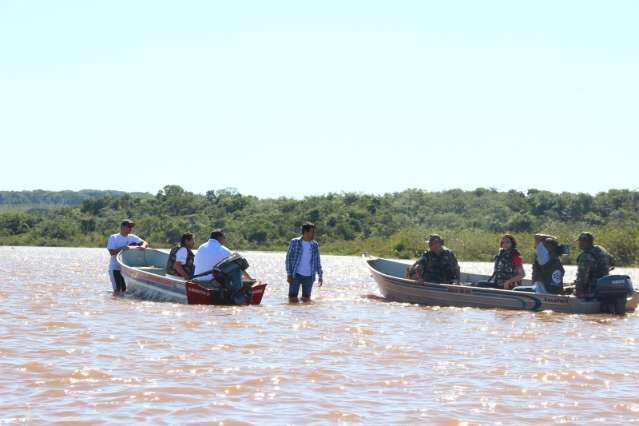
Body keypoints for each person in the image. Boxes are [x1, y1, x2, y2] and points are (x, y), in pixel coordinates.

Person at [193, 229, 252, 305]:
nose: (225, 240)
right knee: (236, 270)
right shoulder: (225, 250)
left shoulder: (201, 247)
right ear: (220, 238)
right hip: (212, 283)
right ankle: (237, 295)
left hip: (198, 280)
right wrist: (248, 278)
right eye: (224, 238)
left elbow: (195, 264)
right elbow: (238, 265)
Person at [106, 219, 149, 295]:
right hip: (115, 268)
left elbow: (145, 242)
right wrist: (122, 248)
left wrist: (143, 246)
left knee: (124, 290)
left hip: (126, 270)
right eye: (128, 226)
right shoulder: (114, 237)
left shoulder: (132, 237)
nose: (130, 229)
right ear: (122, 227)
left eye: (131, 227)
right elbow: (111, 253)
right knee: (117, 290)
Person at [285, 222, 324, 302]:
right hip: (295, 275)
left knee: (306, 300)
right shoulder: (294, 242)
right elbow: (288, 259)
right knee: (292, 299)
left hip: (309, 277)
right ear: (306, 232)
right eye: (312, 231)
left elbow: (317, 261)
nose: (314, 234)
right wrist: (289, 274)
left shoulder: (315, 245)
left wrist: (320, 276)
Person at [575, 232, 614, 298]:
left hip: (593, 288)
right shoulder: (601, 249)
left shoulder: (586, 256)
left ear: (586, 242)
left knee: (573, 291)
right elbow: (612, 262)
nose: (579, 244)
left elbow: (582, 276)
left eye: (580, 241)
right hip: (605, 285)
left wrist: (577, 290)